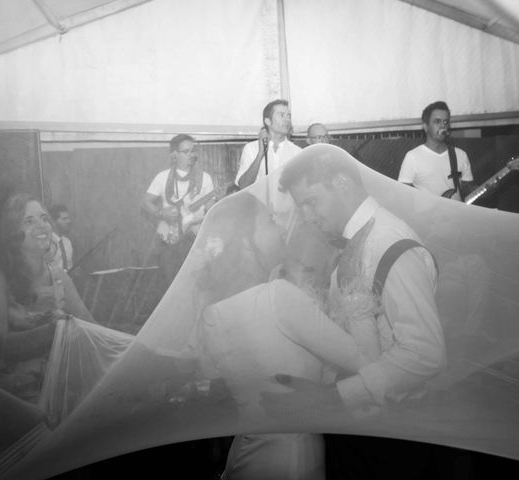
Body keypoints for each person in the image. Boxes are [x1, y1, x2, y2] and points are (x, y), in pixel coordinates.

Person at [275, 144, 446, 479]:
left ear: (341, 183)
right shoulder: (358, 241)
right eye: (301, 207)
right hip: (365, 429)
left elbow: (426, 352)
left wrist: (334, 397)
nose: (308, 217)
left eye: (311, 201)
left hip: (395, 437)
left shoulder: (389, 244)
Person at [193, 192, 381, 480]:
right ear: (246, 242)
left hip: (246, 455)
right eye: (269, 221)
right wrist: (354, 284)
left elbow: (212, 372)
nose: (281, 227)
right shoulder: (277, 298)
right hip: (293, 461)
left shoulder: (211, 312)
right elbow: (370, 363)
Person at [0, 193, 94, 405]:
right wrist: (49, 333)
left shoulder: (59, 276)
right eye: (29, 221)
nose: (41, 225)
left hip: (56, 376)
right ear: (13, 233)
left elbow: (91, 326)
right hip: (15, 385)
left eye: (44, 218)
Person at [141, 134, 215, 290]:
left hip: (196, 240)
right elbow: (145, 202)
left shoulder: (205, 178)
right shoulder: (162, 177)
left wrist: (209, 208)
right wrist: (162, 214)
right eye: (186, 151)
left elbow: (210, 206)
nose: (191, 155)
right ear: (174, 155)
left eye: (193, 151)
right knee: (172, 287)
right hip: (169, 241)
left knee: (198, 287)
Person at [398, 101, 475, 201]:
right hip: (426, 216)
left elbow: (468, 189)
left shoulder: (461, 155)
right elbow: (403, 193)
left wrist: (486, 190)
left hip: (455, 215)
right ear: (425, 127)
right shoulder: (413, 157)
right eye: (437, 121)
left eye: (445, 122)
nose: (443, 126)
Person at [235, 99, 301, 190]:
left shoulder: (297, 152)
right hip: (257, 203)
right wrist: (260, 154)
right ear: (268, 121)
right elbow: (243, 185)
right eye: (281, 115)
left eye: (289, 116)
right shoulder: (251, 148)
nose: (287, 120)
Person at [48, 204, 73, 272]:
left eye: (68, 218)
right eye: (64, 219)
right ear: (53, 221)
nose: (69, 221)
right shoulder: (47, 243)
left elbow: (70, 267)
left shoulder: (68, 242)